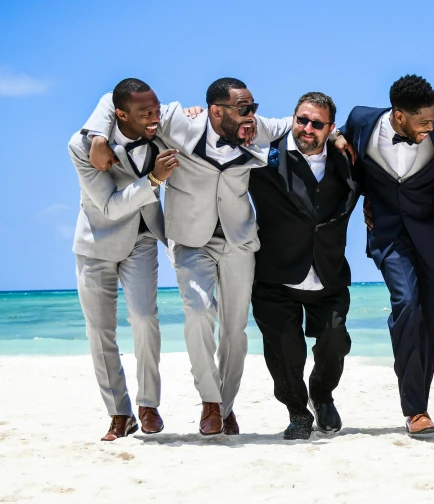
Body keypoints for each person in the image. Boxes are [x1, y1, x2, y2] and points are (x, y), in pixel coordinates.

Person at [83, 78, 291, 436]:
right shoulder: (177, 122)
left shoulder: (255, 128)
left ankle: (226, 407)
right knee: (197, 311)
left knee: (235, 331)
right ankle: (209, 402)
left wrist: (334, 136)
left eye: (253, 108)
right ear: (216, 111)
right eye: (243, 109)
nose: (251, 116)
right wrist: (99, 137)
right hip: (191, 241)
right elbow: (113, 100)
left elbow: (296, 122)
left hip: (239, 239)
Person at [334, 75, 434, 436]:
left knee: (430, 319)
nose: (430, 127)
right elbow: (334, 130)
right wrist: (335, 136)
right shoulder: (362, 120)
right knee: (406, 304)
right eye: (423, 122)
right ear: (398, 116)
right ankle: (415, 409)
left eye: (433, 121)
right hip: (389, 234)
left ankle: (419, 399)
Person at [68, 78, 175, 441]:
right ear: (120, 115)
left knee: (145, 318)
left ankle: (148, 405)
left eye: (156, 109)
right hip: (96, 243)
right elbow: (111, 206)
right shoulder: (81, 148)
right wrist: (154, 182)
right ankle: (119, 413)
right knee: (101, 332)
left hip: (143, 237)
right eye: (146, 113)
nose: (154, 118)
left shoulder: (159, 130)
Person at [248, 93, 359, 440]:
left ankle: (321, 393)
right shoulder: (265, 157)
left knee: (334, 340)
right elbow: (223, 129)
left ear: (330, 128)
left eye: (317, 123)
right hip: (274, 274)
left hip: (328, 272)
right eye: (302, 120)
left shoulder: (346, 160)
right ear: (292, 118)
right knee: (284, 350)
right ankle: (297, 411)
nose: (307, 128)